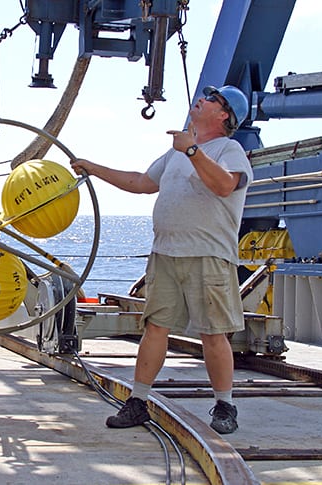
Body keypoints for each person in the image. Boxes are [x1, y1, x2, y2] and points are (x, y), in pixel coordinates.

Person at [71, 85, 252, 434]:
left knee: (214, 333)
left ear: (224, 116)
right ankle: (138, 402)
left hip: (209, 256)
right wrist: (92, 167)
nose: (203, 97)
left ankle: (225, 405)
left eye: (213, 98)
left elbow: (226, 185)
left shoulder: (230, 150)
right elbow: (140, 182)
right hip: (166, 254)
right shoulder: (175, 154)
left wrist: (194, 150)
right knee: (155, 328)